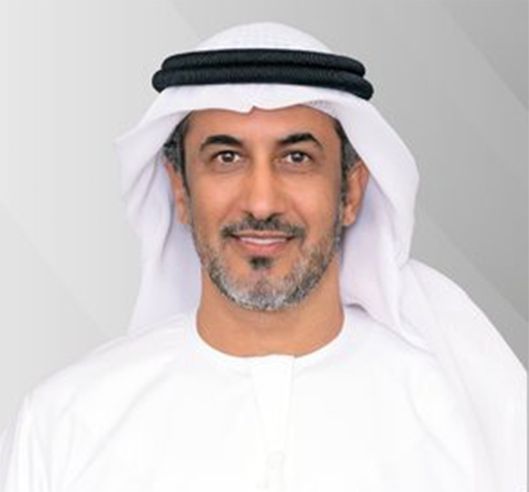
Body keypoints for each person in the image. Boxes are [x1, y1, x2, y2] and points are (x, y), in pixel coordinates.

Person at [0, 22, 525, 492]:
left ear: (351, 191)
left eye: (297, 158)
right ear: (180, 190)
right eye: (226, 157)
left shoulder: (458, 424)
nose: (261, 202)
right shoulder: (69, 423)